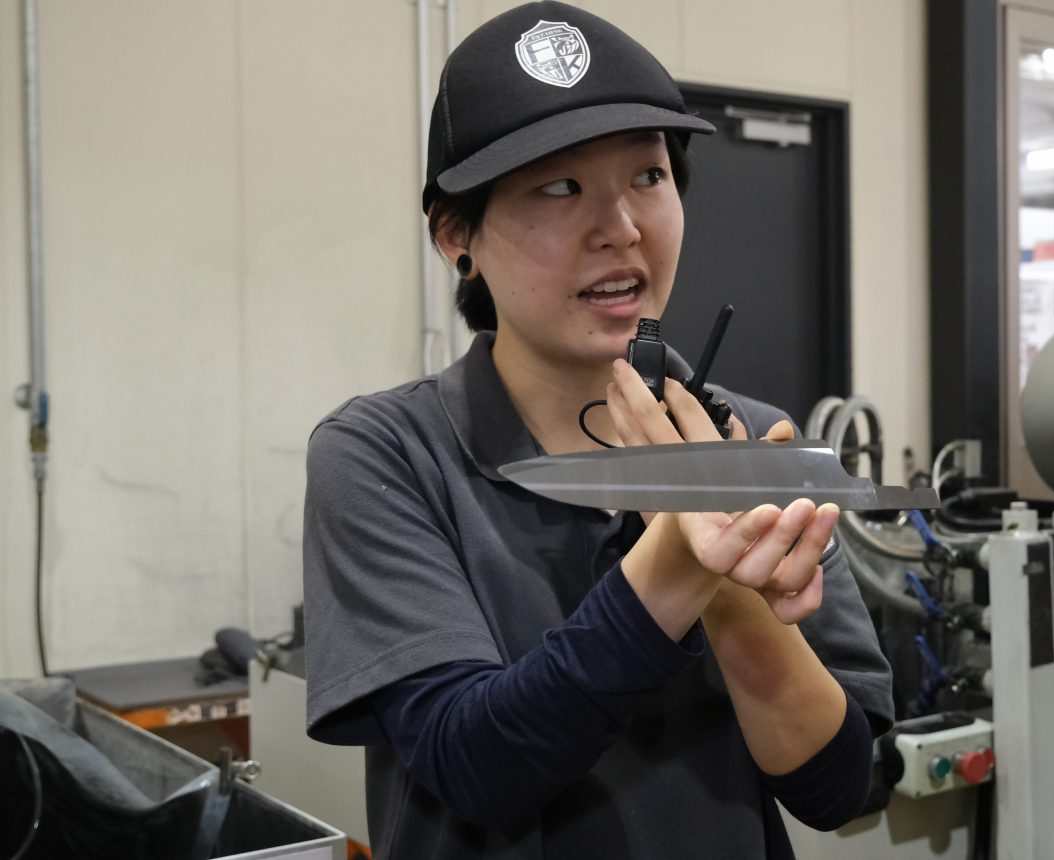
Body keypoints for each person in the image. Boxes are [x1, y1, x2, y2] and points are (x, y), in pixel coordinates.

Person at [303, 3, 894, 857]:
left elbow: (837, 788)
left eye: (648, 176)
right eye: (558, 187)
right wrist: (680, 557)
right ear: (456, 235)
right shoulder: (386, 454)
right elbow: (476, 767)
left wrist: (734, 596)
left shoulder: (754, 442)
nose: (621, 228)